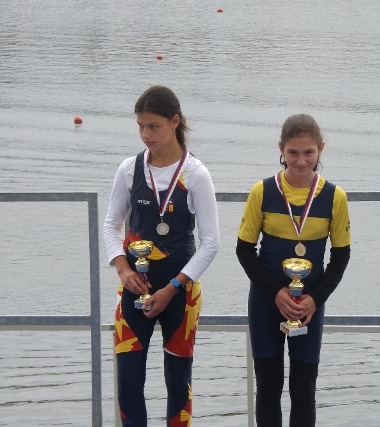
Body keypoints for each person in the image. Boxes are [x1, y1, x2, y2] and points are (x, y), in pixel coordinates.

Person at [103, 85, 220, 426]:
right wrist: (124, 270)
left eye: (153, 126)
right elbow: (111, 225)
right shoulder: (129, 169)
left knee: (178, 384)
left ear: (174, 122)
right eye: (141, 126)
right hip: (134, 290)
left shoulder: (195, 174)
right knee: (127, 384)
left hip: (180, 293)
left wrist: (172, 287)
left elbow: (211, 243)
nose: (146, 135)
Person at [236, 114, 351, 427]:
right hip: (266, 301)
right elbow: (244, 250)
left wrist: (315, 299)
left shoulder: (335, 197)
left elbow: (341, 255)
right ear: (281, 150)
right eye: (293, 153)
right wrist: (276, 293)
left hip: (309, 305)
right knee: (268, 386)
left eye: (309, 152)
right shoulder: (262, 192)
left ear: (321, 148)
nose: (301, 161)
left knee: (303, 389)